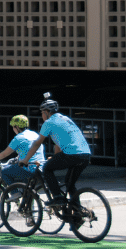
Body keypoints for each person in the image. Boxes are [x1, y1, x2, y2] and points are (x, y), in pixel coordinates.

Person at [20, 93, 91, 224]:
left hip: (72, 154)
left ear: (47, 112)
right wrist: (56, 157)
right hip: (85, 154)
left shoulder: (49, 122)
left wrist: (25, 159)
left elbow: (37, 143)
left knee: (46, 168)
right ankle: (77, 215)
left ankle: (57, 197)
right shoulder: (65, 119)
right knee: (70, 184)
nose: (41, 115)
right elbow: (59, 143)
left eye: (42, 112)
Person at [0, 115, 45, 185]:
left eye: (13, 127)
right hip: (40, 166)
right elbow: (28, 149)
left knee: (4, 172)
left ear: (17, 127)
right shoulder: (34, 134)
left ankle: (15, 193)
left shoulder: (18, 138)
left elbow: (5, 153)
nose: (13, 129)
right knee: (24, 180)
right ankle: (27, 194)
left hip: (29, 168)